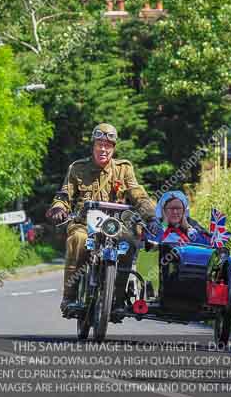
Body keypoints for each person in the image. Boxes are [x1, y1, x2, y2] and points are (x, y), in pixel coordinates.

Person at [46, 123, 155, 314]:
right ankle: (69, 298)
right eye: (99, 144)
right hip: (83, 224)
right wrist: (58, 208)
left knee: (129, 243)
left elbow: (138, 194)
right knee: (77, 240)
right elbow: (64, 195)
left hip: (115, 226)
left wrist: (151, 216)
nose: (103, 149)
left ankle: (118, 300)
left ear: (113, 148)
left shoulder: (124, 169)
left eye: (108, 145)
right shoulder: (77, 169)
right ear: (93, 146)